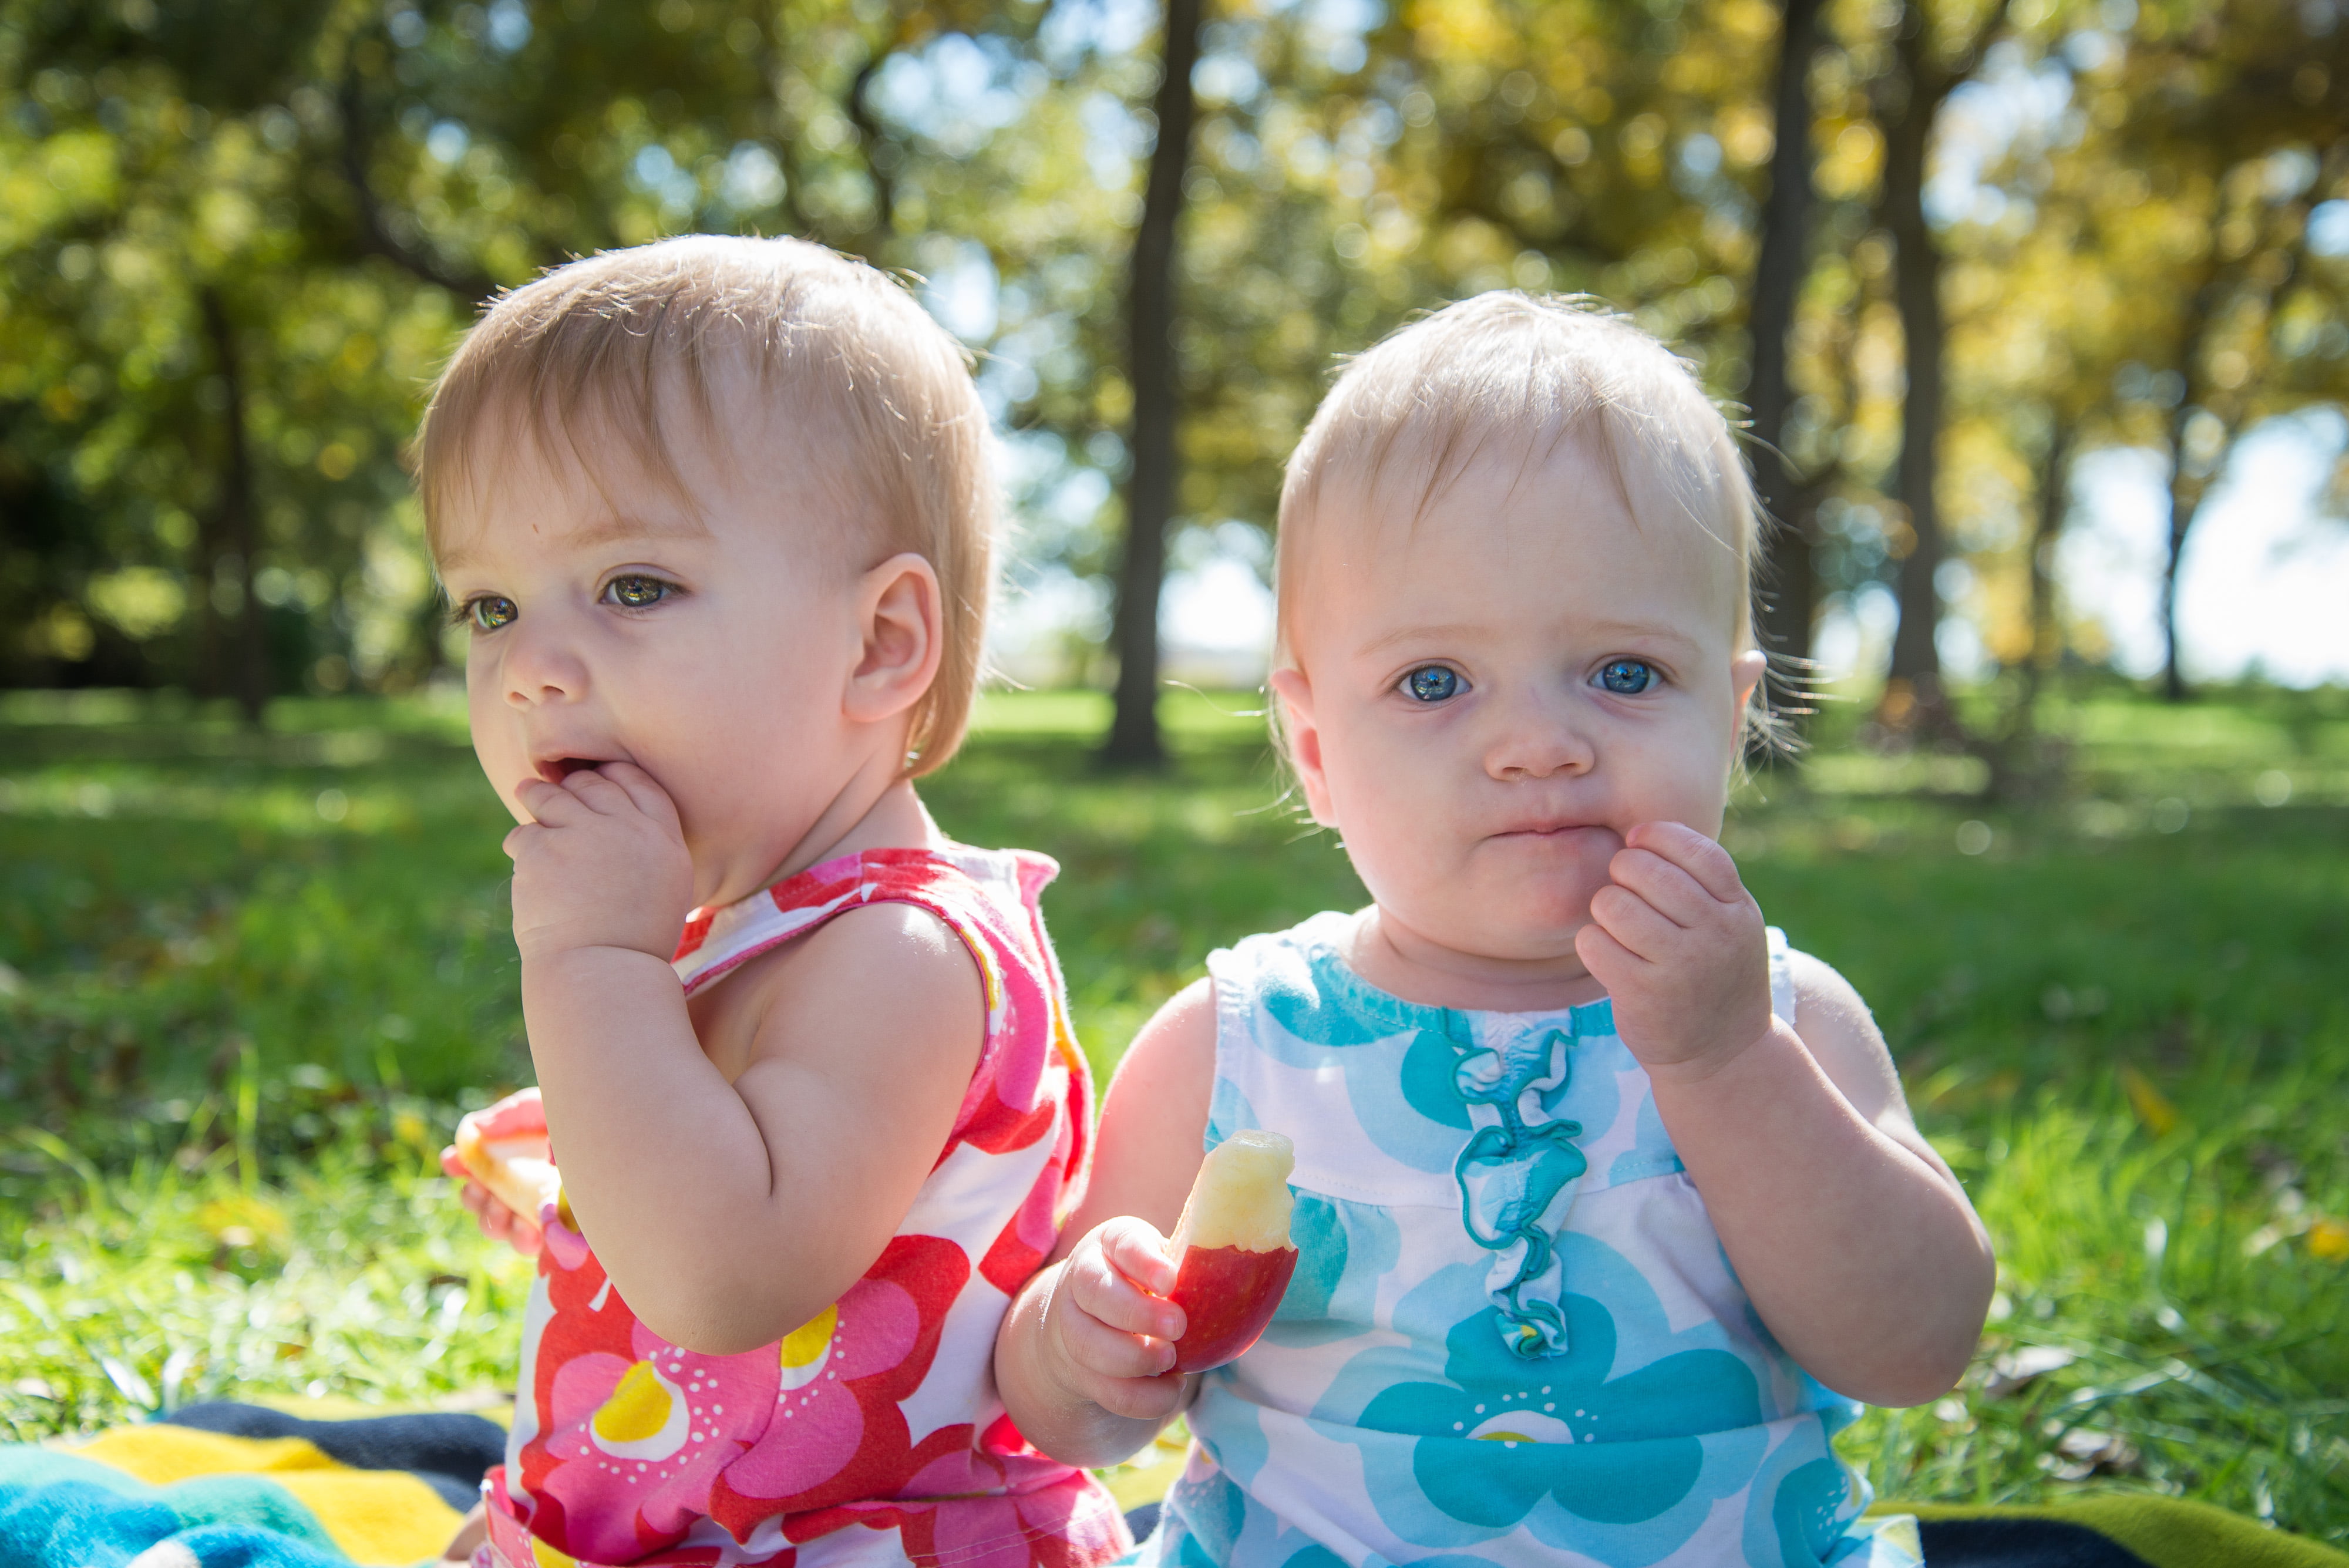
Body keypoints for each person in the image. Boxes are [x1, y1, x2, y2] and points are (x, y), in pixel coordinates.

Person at [992, 294, 1997, 1568]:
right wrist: (1078, 1338)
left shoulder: (1778, 1017)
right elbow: (1059, 1413)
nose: (1538, 745)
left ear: (1729, 719)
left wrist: (1722, 1064)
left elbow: (1914, 1347)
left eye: (1624, 674)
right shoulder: (1238, 1045)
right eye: (1433, 683)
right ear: (1312, 751)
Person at [422, 235, 1128, 1568]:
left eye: (633, 586)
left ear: (879, 645)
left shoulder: (902, 955)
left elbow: (718, 1281)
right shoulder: (748, 930)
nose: (527, 668)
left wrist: (590, 965)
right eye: (490, 606)